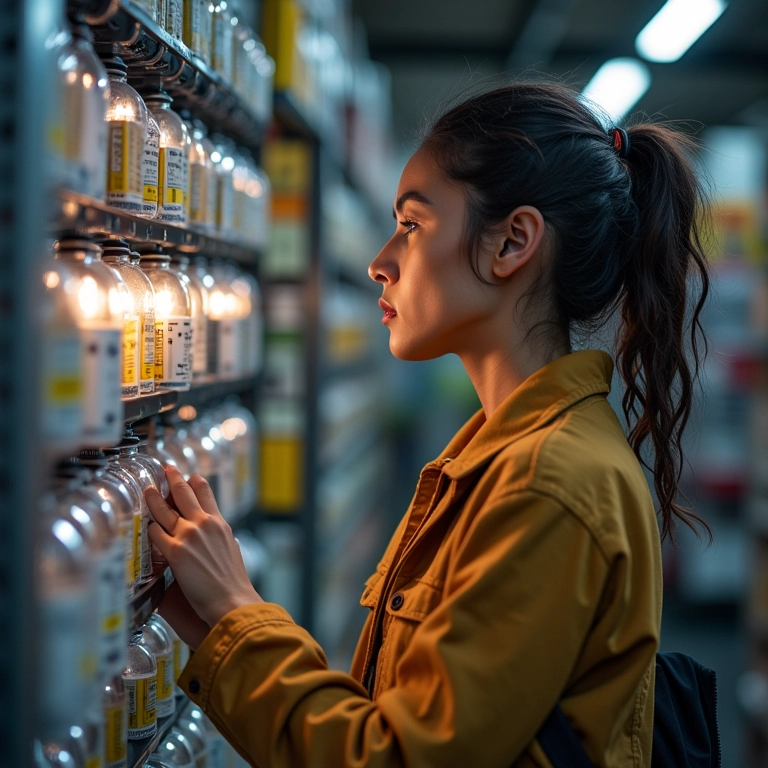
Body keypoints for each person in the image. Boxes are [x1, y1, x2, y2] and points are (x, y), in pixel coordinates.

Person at [145, 82, 711, 768]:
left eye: (411, 225)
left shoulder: (549, 484)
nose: (379, 262)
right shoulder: (501, 456)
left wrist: (240, 616)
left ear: (512, 243)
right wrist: (216, 630)